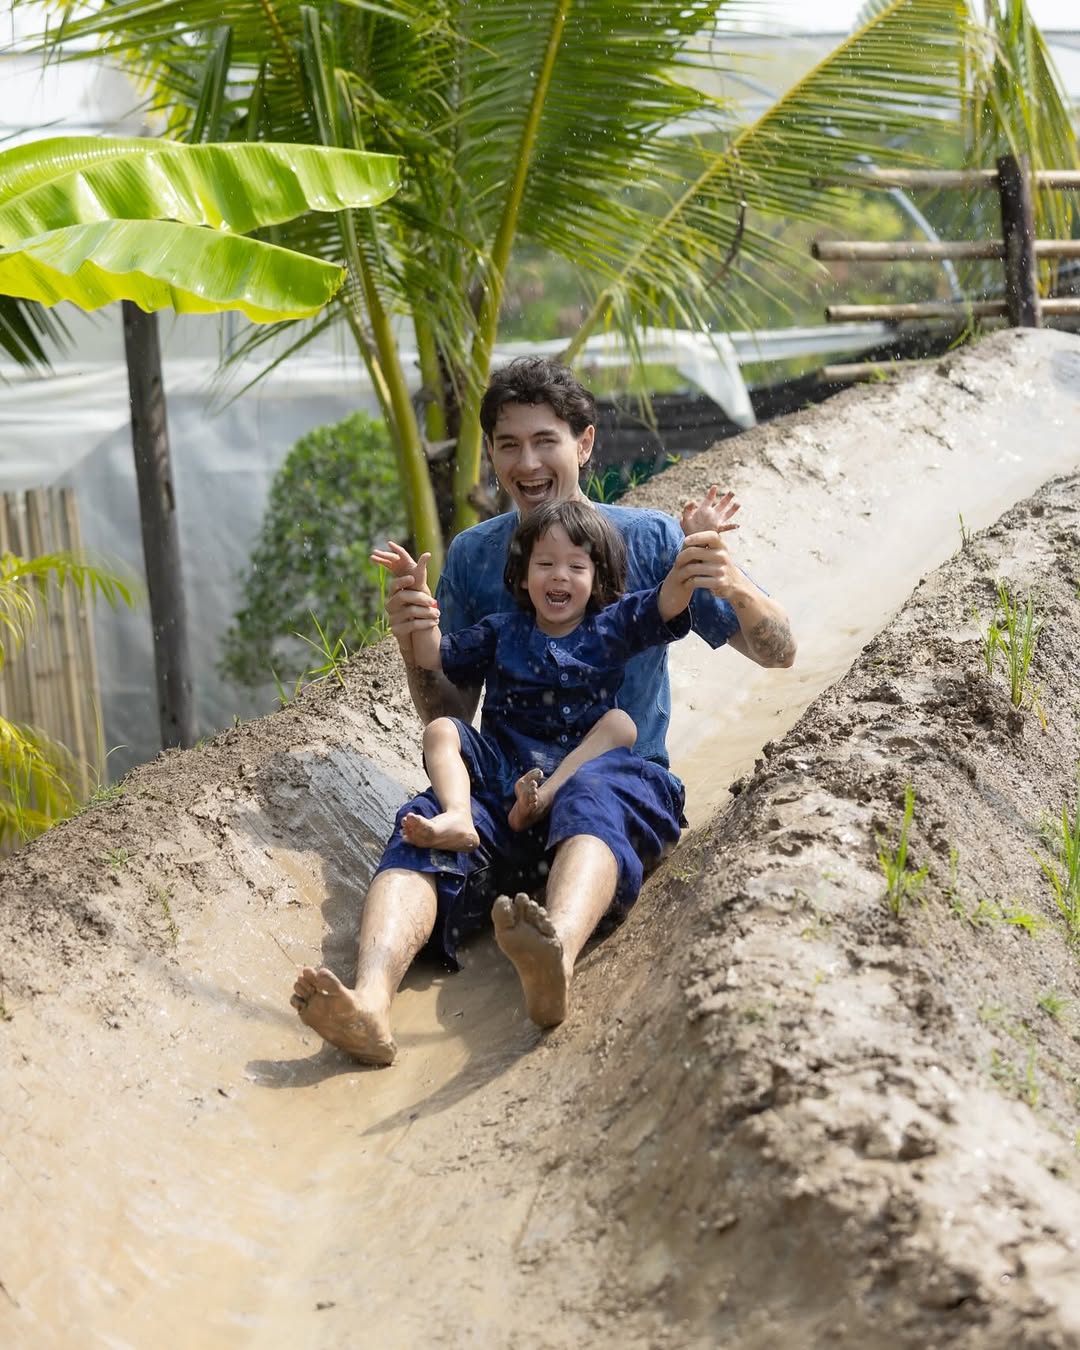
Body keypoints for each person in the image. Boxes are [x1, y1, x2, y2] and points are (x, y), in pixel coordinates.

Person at [292, 357, 795, 1065]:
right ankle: (371, 1000)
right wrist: (415, 643)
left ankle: (552, 950)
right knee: (425, 824)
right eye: (508, 445)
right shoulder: (473, 557)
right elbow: (448, 708)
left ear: (584, 444)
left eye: (545, 441)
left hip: (612, 777)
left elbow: (777, 652)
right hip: (503, 790)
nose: (527, 463)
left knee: (595, 793)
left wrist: (729, 578)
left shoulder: (648, 541)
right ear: (493, 454)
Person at [370, 496, 731, 852]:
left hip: (579, 776)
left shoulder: (613, 625)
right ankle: (459, 815)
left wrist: (694, 550)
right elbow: (432, 654)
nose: (559, 575)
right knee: (441, 730)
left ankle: (543, 799)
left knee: (621, 724)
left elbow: (668, 600)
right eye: (545, 563)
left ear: (596, 579)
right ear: (523, 576)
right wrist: (417, 600)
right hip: (503, 772)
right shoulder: (501, 630)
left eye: (576, 567)